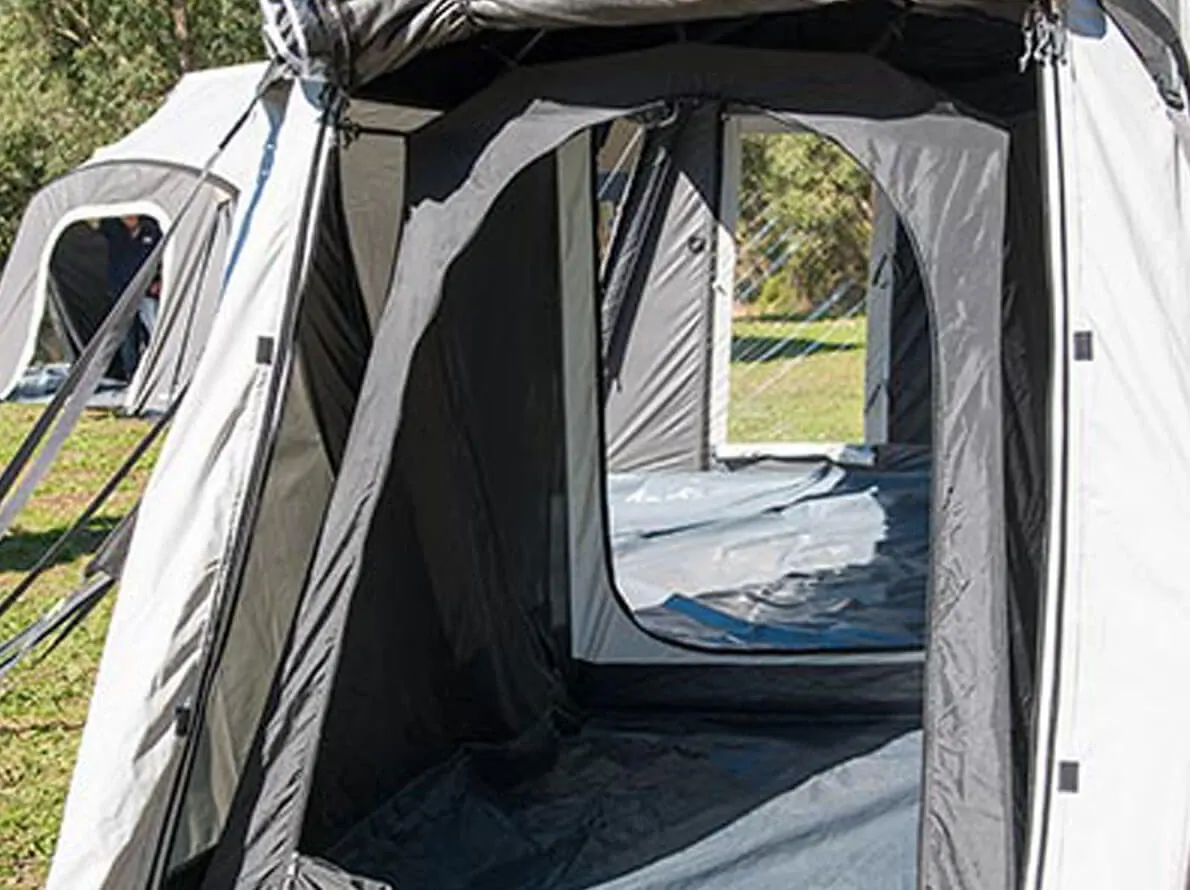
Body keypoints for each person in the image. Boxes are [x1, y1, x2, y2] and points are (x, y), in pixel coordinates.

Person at [97, 215, 163, 380]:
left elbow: (163, 255)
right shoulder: (110, 228)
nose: (129, 217)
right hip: (122, 293)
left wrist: (159, 279)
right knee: (126, 337)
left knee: (156, 331)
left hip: (147, 291)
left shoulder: (152, 228)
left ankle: (158, 371)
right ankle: (131, 375)